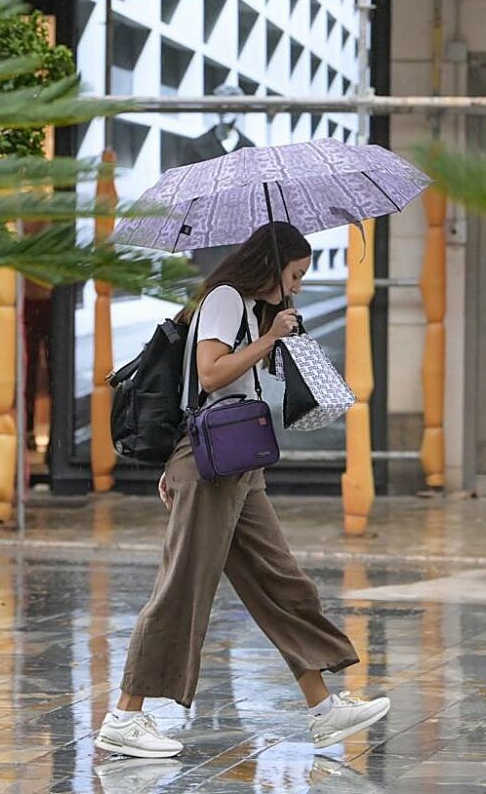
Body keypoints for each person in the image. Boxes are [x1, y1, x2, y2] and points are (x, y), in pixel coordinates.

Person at [94, 222, 390, 759]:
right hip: (212, 468)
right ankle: (125, 716)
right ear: (271, 267)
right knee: (182, 588)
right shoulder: (226, 299)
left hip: (237, 466)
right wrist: (270, 338)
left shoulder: (248, 308)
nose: (297, 286)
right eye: (295, 275)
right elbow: (209, 376)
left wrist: (272, 334)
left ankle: (324, 710)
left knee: (280, 581)